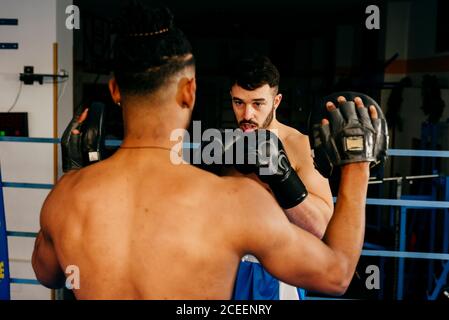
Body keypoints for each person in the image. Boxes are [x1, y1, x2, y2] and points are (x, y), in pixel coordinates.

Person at [32, 3, 381, 299]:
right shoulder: (235, 202)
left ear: (115, 90)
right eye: (239, 102)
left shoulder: (67, 197)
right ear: (190, 90)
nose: (248, 113)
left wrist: (76, 172)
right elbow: (336, 275)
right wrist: (356, 166)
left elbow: (49, 274)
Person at [224, 56, 333, 299]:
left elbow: (319, 227)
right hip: (227, 270)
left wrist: (280, 178)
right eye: (238, 102)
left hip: (278, 273)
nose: (247, 114)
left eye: (258, 104)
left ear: (276, 101)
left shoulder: (301, 146)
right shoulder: (224, 147)